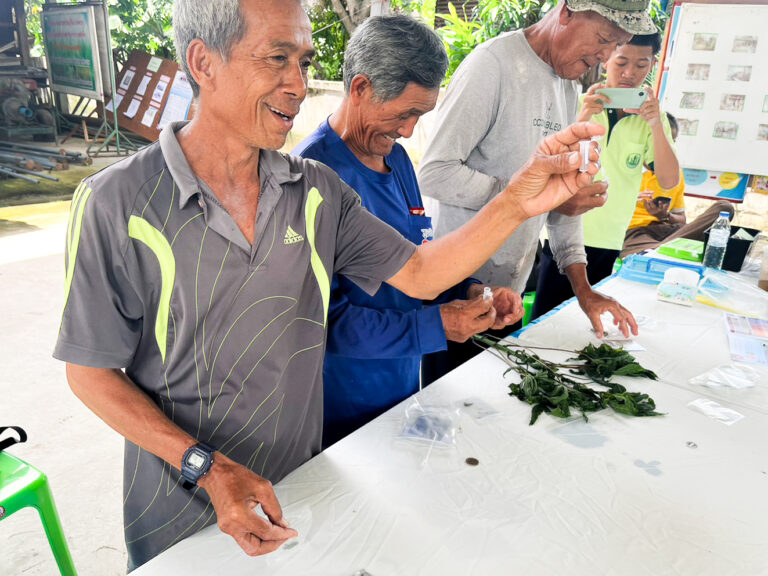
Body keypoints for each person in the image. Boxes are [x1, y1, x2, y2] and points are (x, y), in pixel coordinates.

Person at [52, 0, 607, 568]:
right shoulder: (116, 201)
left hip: (302, 487)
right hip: (179, 505)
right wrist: (209, 469)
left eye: (304, 60)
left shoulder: (314, 190)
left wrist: (517, 202)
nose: (299, 84)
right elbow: (90, 372)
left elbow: (421, 273)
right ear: (203, 61)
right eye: (277, 59)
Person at [293, 15, 524, 449]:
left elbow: (419, 260)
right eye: (405, 113)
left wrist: (470, 292)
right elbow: (320, 323)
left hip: (401, 391)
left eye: (420, 115)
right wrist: (433, 327)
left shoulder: (397, 161)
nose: (408, 130)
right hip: (335, 409)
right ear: (360, 88)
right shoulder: (310, 176)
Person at [418, 0, 652, 338]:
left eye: (615, 45)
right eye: (603, 38)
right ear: (567, 12)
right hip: (456, 289)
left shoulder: (569, 87)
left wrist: (583, 290)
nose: (605, 57)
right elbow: (435, 172)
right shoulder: (493, 64)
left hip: (507, 294)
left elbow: (561, 199)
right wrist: (540, 199)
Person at [531, 32, 680, 317]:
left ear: (652, 66)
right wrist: (582, 117)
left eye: (641, 65)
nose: (629, 73)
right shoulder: (576, 101)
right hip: (564, 231)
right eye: (621, 61)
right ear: (606, 56)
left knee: (586, 324)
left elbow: (669, 180)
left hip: (609, 240)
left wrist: (655, 125)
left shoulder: (653, 118)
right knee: (545, 320)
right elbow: (546, 162)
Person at [621, 114, 734, 258]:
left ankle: (661, 251)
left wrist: (666, 216)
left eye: (671, 143)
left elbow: (682, 219)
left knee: (725, 208)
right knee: (641, 255)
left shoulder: (675, 175)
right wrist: (630, 199)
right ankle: (661, 251)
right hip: (637, 232)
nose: (666, 149)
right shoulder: (625, 170)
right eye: (661, 143)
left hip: (673, 231)